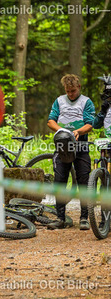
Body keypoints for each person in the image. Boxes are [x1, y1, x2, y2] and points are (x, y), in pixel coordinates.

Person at [47, 74, 95, 230]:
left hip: (81, 146)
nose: (70, 94)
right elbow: (50, 120)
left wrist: (78, 132)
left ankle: (84, 218)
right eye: (68, 91)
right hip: (62, 145)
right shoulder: (59, 101)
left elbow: (90, 124)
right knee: (60, 180)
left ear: (79, 87)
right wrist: (62, 131)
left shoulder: (86, 102)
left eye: (73, 91)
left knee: (84, 181)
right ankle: (60, 218)